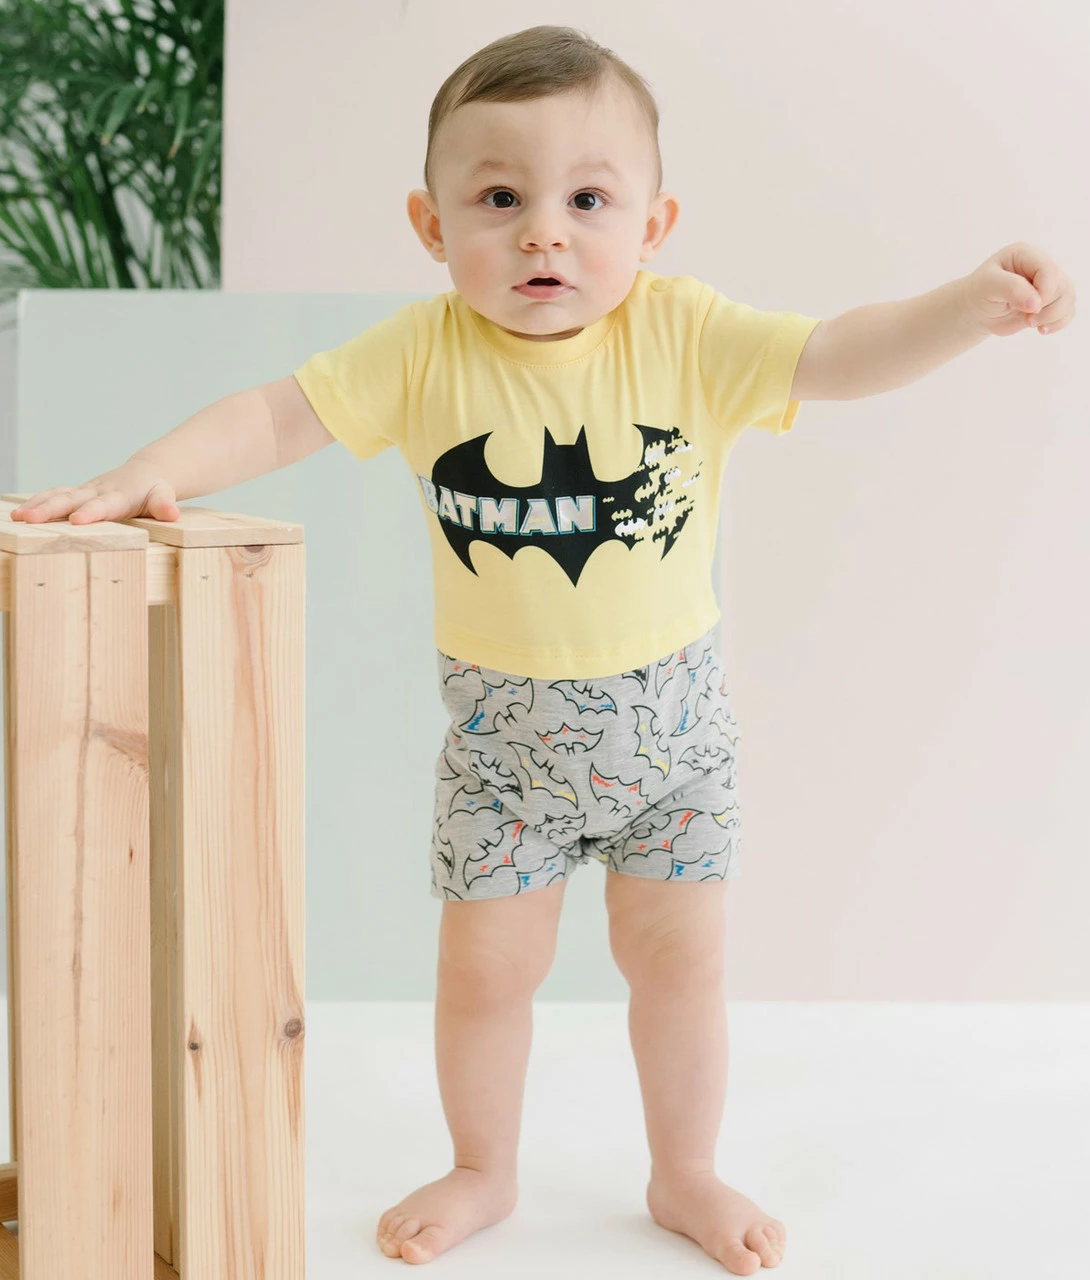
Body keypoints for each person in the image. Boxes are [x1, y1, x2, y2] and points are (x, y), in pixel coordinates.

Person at [11, 23, 1075, 1277]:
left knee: (679, 968)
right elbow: (275, 413)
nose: (543, 235)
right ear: (430, 224)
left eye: (587, 200)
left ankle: (684, 1170)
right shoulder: (421, 353)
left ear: (654, 225)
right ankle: (483, 1163)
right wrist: (148, 469)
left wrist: (963, 308)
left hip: (675, 745)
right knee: (483, 975)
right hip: (502, 755)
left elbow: (838, 353)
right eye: (500, 199)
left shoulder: (683, 335)